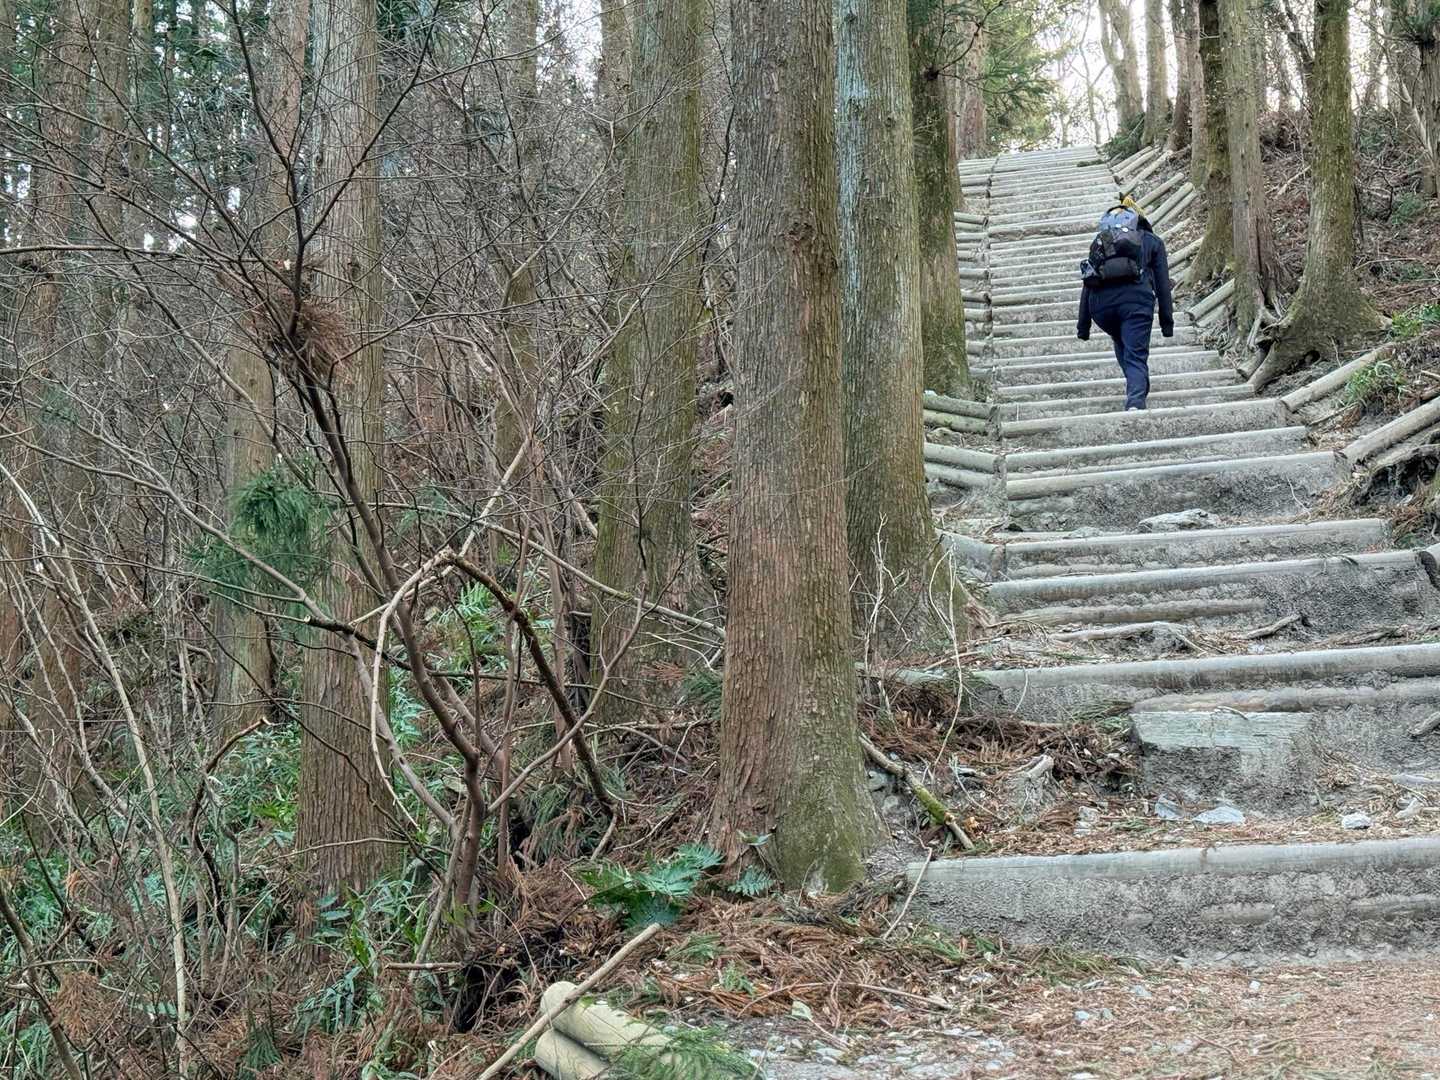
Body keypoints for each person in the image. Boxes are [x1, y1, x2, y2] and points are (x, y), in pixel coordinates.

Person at [1076, 201, 1175, 411]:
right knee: (1135, 354)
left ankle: (1137, 387)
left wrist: (1083, 326)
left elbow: (1088, 281)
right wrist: (1167, 323)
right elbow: (1163, 286)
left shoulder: (1103, 239)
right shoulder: (1153, 241)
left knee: (1122, 340)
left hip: (1101, 308)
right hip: (1136, 305)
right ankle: (1136, 402)